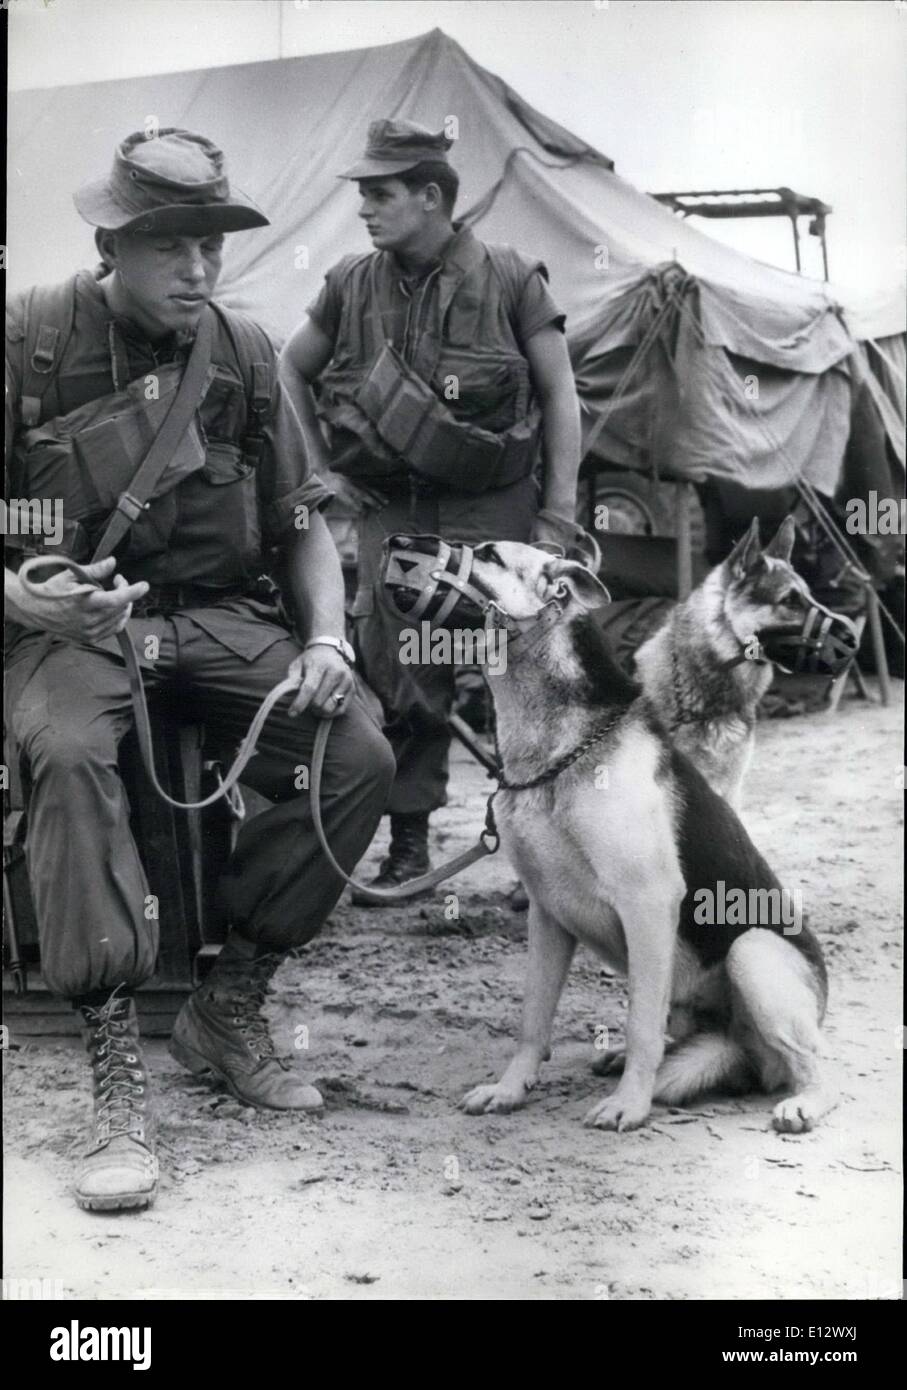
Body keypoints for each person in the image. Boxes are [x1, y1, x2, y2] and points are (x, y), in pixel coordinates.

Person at [4, 129, 395, 1212]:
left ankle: (228, 1001)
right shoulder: (28, 339)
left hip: (219, 621)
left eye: (212, 245)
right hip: (72, 631)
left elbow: (305, 516)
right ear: (110, 243)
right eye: (173, 245)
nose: (198, 269)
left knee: (355, 748)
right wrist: (19, 596)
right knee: (72, 752)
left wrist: (325, 637)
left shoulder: (244, 352)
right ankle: (111, 1060)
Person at [279, 119, 582, 897]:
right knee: (402, 676)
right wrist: (322, 471)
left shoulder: (514, 278)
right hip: (397, 518)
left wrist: (553, 521)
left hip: (496, 516)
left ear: (430, 196)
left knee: (528, 676)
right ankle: (408, 842)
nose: (364, 211)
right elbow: (291, 368)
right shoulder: (349, 283)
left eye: (378, 195)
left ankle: (547, 850)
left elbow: (559, 398)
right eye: (363, 196)